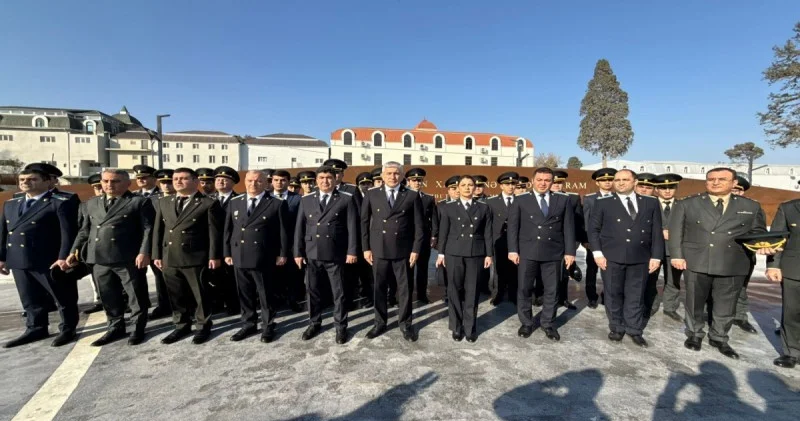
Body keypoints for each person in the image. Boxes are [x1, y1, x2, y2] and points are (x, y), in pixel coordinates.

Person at [669, 167, 769, 359]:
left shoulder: (751, 206)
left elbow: (758, 232)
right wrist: (676, 256)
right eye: (711, 179)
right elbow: (676, 233)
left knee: (726, 304)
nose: (715, 182)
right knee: (695, 301)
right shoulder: (688, 204)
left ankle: (720, 337)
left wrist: (763, 244)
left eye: (722, 179)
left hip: (733, 261)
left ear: (733, 183)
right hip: (697, 260)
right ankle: (695, 333)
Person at [67, 169, 154, 346]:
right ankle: (115, 326)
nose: (109, 185)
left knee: (135, 295)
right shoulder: (92, 203)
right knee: (108, 295)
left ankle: (138, 327)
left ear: (128, 184)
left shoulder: (138, 202)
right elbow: (84, 230)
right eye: (105, 181)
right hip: (98, 257)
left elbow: (148, 229)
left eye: (115, 181)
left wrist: (144, 252)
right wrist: (73, 251)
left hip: (127, 257)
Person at [1, 167, 79, 348]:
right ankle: (36, 327)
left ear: (47, 181)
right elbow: (4, 232)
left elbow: (68, 233)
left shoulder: (59, 202)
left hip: (48, 259)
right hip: (19, 258)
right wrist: (2, 257)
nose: (25, 182)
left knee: (63, 297)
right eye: (22, 179)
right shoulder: (12, 203)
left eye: (32, 179)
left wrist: (64, 257)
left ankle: (67, 328)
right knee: (30, 298)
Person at [589, 169, 663, 348]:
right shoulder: (603, 203)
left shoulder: (650, 203)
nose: (620, 183)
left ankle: (634, 329)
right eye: (618, 180)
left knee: (636, 295)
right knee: (613, 293)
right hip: (611, 257)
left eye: (625, 179)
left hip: (641, 257)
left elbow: (656, 232)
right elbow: (593, 230)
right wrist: (597, 253)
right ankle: (616, 327)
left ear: (635, 182)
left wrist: (656, 256)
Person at [152, 168, 224, 345]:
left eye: (183, 179)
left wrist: (214, 256)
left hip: (195, 256)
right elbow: (158, 231)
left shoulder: (207, 203)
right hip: (169, 256)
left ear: (195, 181)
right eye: (176, 178)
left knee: (200, 294)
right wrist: (156, 254)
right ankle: (181, 325)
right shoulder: (164, 202)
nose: (178, 182)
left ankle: (202, 326)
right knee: (176, 294)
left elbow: (214, 233)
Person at [508, 168, 576, 342]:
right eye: (539, 179)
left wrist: (570, 251)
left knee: (552, 290)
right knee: (524, 288)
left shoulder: (563, 200)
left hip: (553, 252)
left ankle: (548, 323)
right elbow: (513, 227)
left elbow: (568, 227)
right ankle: (526, 323)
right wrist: (513, 250)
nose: (543, 183)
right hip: (527, 251)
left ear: (552, 182)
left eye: (547, 180)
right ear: (533, 180)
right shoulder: (521, 199)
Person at [294, 166, 359, 344]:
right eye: (321, 177)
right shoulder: (306, 199)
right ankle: (314, 322)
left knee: (339, 293)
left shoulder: (346, 199)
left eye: (329, 177)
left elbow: (352, 227)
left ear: (335, 179)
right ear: (316, 180)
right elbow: (300, 227)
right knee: (312, 291)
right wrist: (297, 252)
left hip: (335, 252)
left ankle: (340, 327)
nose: (325, 181)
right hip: (311, 252)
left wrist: (352, 251)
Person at [361, 162, 424, 342]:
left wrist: (416, 249)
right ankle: (380, 323)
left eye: (396, 173)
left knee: (404, 289)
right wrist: (365, 248)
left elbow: (419, 226)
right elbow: (364, 222)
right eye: (389, 173)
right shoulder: (372, 194)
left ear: (402, 176)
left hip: (403, 251)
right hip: (378, 249)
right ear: (382, 175)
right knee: (379, 288)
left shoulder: (412, 195)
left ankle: (405, 324)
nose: (392, 177)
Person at [225, 170, 289, 343]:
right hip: (239, 253)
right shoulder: (235, 202)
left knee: (265, 293)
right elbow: (228, 230)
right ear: (245, 182)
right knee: (244, 293)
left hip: (263, 255)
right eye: (250, 181)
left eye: (258, 181)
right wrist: (227, 252)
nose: (253, 184)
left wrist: (282, 253)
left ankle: (268, 325)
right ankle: (248, 323)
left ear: (265, 183)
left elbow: (283, 232)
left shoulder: (276, 203)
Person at [436, 175, 493, 342]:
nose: (467, 188)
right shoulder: (448, 207)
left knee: (472, 291)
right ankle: (456, 326)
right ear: (458, 188)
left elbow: (487, 233)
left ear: (475, 188)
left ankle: (470, 327)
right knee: (454, 291)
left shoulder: (483, 208)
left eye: (470, 185)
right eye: (463, 185)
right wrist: (441, 254)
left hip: (476, 253)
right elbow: (443, 232)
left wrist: (489, 254)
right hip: (454, 253)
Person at [766, 196, 800, 369]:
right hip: (794, 268)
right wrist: (773, 265)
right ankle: (791, 352)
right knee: (792, 313)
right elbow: (776, 238)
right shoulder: (788, 208)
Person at [648, 173, 684, 322]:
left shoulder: (684, 205)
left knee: (673, 280)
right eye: (663, 188)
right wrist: (658, 232)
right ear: (657, 189)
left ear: (676, 188)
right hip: (653, 249)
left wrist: (675, 234)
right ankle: (651, 305)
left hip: (675, 250)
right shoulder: (649, 204)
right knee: (650, 280)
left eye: (671, 187)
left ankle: (670, 308)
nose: (667, 191)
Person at [208, 166, 241, 316]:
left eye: (225, 179)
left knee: (231, 277)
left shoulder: (239, 200)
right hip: (211, 245)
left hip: (231, 245)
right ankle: (216, 303)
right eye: (218, 179)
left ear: (233, 183)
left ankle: (233, 304)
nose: (221, 182)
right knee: (214, 276)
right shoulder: (207, 200)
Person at [549, 170, 584, 310]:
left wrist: (577, 241)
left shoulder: (572, 198)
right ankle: (541, 296)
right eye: (555, 182)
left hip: (565, 242)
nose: (557, 185)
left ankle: (563, 299)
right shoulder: (542, 198)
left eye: (560, 183)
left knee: (564, 272)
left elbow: (578, 221)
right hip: (547, 241)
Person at [582, 168, 616, 308]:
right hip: (594, 242)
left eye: (609, 180)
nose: (607, 182)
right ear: (597, 183)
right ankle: (591, 297)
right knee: (592, 270)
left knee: (610, 272)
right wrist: (586, 241)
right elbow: (586, 221)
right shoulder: (590, 199)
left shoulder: (617, 197)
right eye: (603, 180)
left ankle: (606, 295)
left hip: (613, 242)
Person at [729, 175, 759, 334]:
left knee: (740, 287)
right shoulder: (715, 205)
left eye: (738, 190)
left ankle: (740, 316)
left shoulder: (752, 207)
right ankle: (710, 312)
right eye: (733, 189)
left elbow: (758, 230)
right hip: (718, 254)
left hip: (744, 254)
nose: (735, 192)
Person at [272, 169, 304, 312]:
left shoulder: (298, 199)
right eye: (276, 180)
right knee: (274, 275)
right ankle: (276, 300)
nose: (279, 182)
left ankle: (293, 300)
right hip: (271, 243)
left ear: (288, 182)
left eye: (283, 180)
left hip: (291, 243)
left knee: (293, 275)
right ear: (272, 181)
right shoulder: (265, 197)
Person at [485, 171, 519, 306]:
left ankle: (513, 294)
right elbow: (488, 225)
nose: (511, 186)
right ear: (501, 186)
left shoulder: (521, 200)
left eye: (513, 184)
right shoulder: (491, 202)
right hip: (498, 241)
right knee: (498, 270)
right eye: (507, 184)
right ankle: (497, 294)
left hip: (516, 242)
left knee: (514, 269)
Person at [405, 168, 437, 304]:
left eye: (419, 181)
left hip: (423, 238)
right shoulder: (403, 196)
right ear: (408, 181)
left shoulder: (428, 198)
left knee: (423, 268)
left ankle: (422, 295)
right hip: (407, 238)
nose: (417, 183)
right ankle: (406, 295)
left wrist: (434, 235)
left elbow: (433, 218)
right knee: (407, 269)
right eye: (414, 180)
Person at [146, 169, 174, 319]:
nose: (166, 185)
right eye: (163, 182)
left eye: (169, 182)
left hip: (175, 244)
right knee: (159, 277)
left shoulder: (181, 198)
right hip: (157, 244)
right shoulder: (153, 200)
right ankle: (164, 305)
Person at [81, 173, 106, 315]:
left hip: (115, 248)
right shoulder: (87, 205)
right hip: (94, 249)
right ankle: (100, 300)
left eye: (101, 186)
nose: (100, 190)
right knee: (96, 278)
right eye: (96, 188)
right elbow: (82, 228)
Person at [433, 175, 461, 301]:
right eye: (453, 188)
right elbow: (436, 225)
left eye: (458, 187)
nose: (456, 191)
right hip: (446, 243)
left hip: (462, 243)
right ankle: (447, 293)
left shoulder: (466, 205)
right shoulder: (441, 206)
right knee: (445, 270)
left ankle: (460, 291)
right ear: (448, 190)